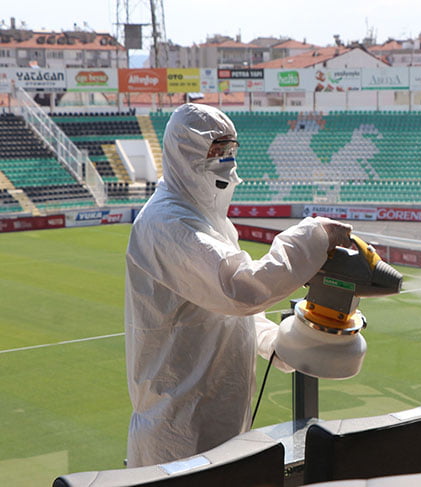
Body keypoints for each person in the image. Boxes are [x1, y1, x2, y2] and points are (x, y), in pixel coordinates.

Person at [124, 103, 352, 468]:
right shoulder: (169, 223)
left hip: (218, 415)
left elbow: (225, 310)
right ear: (186, 152)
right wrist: (311, 236)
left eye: (230, 149)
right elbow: (240, 288)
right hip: (179, 429)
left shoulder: (208, 220)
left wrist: (273, 342)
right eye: (216, 150)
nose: (226, 160)